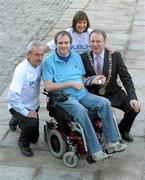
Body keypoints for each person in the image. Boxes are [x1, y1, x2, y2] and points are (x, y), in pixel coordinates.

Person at [42, 30, 127, 162]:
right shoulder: (48, 62)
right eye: (60, 43)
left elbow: (81, 78)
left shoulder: (76, 57)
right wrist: (70, 83)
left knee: (104, 103)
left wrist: (93, 80)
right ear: (55, 44)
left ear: (71, 44)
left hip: (82, 94)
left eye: (66, 43)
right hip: (64, 98)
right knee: (81, 110)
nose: (63, 46)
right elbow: (48, 86)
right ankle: (95, 150)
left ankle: (112, 142)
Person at [80, 29, 141, 142]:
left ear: (105, 42)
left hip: (113, 92)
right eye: (92, 41)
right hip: (93, 96)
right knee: (91, 116)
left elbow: (126, 78)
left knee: (134, 109)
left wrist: (133, 97)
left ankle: (122, 130)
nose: (95, 44)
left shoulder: (115, 56)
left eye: (98, 41)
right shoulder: (83, 57)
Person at [7, 41, 44, 157]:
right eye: (36, 55)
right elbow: (11, 97)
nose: (40, 58)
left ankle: (17, 120)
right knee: (31, 124)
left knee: (35, 138)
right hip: (18, 106)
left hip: (34, 105)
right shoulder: (21, 70)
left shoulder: (41, 64)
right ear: (28, 55)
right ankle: (23, 143)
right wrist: (25, 112)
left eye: (42, 55)